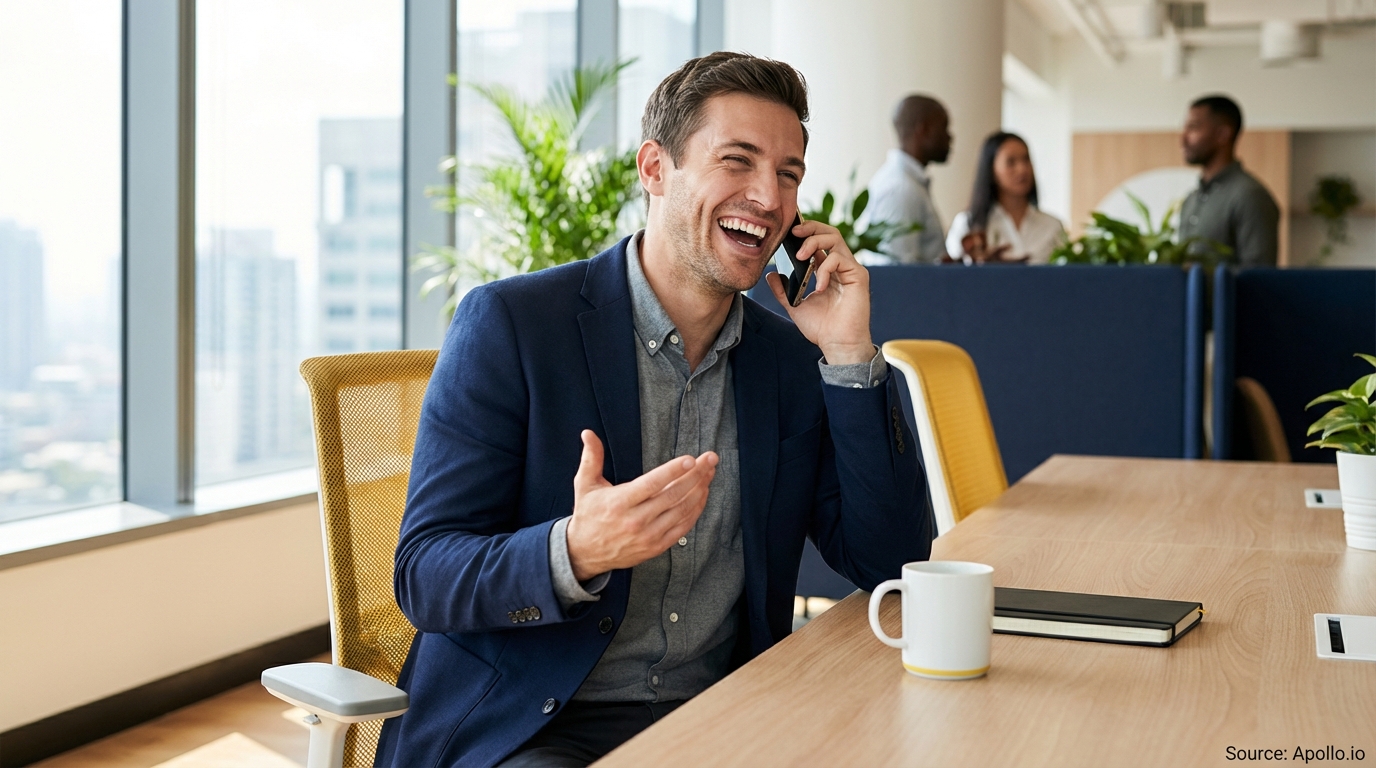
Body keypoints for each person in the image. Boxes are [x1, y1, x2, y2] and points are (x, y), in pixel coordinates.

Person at [374, 52, 932, 768]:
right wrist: (573, 552)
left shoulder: (789, 362)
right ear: (654, 170)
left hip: (730, 713)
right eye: (738, 161)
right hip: (538, 728)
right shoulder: (514, 325)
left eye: (788, 173)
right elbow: (425, 573)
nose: (769, 196)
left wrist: (851, 356)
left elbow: (892, 561)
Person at [1179, 94, 1280, 266]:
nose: (1183, 138)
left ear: (1223, 134)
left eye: (1193, 128)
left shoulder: (1249, 196)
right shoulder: (1191, 199)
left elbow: (1259, 275)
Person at [946, 132, 1066, 265]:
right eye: (1011, 162)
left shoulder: (1052, 226)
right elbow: (954, 276)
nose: (1022, 169)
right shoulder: (967, 223)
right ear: (991, 169)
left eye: (1026, 160)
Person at [865, 94, 952, 264]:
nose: (949, 137)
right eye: (944, 128)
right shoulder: (901, 189)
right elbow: (899, 272)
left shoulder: (906, 182)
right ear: (923, 130)